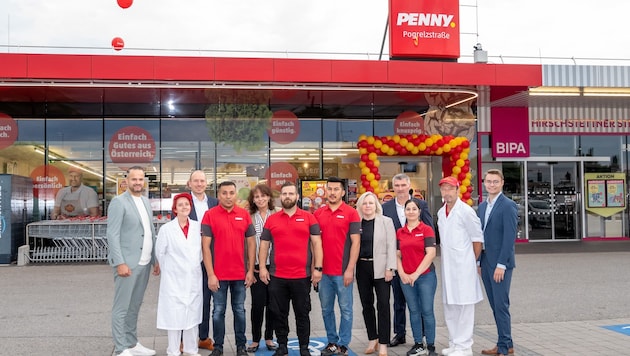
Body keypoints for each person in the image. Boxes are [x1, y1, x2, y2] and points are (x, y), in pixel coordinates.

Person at [258, 181, 323, 356]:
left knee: (302, 313)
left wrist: (318, 268)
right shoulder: (272, 219)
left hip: (302, 276)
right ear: (281, 197)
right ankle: (282, 346)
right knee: (279, 313)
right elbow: (264, 245)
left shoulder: (309, 217)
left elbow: (317, 243)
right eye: (284, 194)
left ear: (297, 196)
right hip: (277, 276)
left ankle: (304, 347)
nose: (287, 196)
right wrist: (263, 267)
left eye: (291, 194)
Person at [107, 166, 159, 356]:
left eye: (140, 179)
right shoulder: (118, 202)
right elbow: (112, 235)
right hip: (127, 263)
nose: (137, 182)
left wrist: (155, 259)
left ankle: (132, 342)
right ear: (126, 181)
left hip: (144, 263)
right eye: (134, 179)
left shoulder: (145, 201)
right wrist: (119, 262)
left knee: (135, 305)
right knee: (122, 307)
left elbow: (150, 233)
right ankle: (121, 348)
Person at [201, 181, 256, 356]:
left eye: (231, 193)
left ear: (236, 195)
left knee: (239, 310)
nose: (228, 196)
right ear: (218, 195)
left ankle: (241, 346)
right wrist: (210, 274)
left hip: (240, 274)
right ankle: (218, 347)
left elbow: (251, 243)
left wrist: (250, 271)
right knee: (218, 311)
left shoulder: (244, 215)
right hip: (218, 275)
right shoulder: (209, 215)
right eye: (224, 193)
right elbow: (205, 248)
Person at [382, 173, 434, 348]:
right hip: (397, 262)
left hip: (419, 263)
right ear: (393, 187)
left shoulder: (421, 205)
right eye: (397, 185)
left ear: (409, 185)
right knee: (398, 300)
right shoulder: (386, 207)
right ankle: (400, 333)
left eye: (403, 185)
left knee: (420, 302)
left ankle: (424, 335)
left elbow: (429, 230)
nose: (400, 188)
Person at [436, 176, 484, 356]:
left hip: (464, 266)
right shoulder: (442, 213)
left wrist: (471, 262)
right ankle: (454, 343)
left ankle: (464, 347)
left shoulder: (466, 211)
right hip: (448, 266)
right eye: (443, 189)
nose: (446, 192)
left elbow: (477, 239)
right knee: (450, 305)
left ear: (457, 190)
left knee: (464, 306)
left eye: (450, 189)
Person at [314, 177, 361, 356]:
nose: (332, 192)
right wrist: (314, 269)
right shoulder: (318, 214)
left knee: (346, 310)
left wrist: (350, 269)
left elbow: (355, 243)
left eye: (336, 189)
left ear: (343, 192)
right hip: (323, 273)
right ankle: (331, 341)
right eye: (330, 189)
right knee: (326, 310)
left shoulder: (351, 213)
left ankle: (343, 344)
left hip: (343, 272)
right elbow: (313, 244)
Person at [156, 193, 203, 356]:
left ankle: (191, 349)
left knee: (192, 315)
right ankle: (173, 350)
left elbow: (202, 252)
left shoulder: (198, 227)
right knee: (174, 316)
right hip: (173, 279)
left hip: (193, 277)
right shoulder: (166, 229)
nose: (184, 207)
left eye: (187, 204)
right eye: (180, 205)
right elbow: (160, 252)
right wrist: (168, 269)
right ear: (175, 209)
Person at [477, 169, 518, 356]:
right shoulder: (482, 206)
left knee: (501, 305)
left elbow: (509, 238)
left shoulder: (508, 205)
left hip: (500, 265)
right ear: (484, 183)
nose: (491, 184)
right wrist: (478, 261)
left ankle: (505, 347)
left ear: (502, 182)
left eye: (495, 181)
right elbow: (479, 236)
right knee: (495, 305)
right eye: (488, 181)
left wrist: (502, 264)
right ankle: (504, 342)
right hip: (486, 262)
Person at [355, 192, 397, 356]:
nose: (367, 206)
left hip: (381, 268)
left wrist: (390, 268)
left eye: (371, 203)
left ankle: (384, 342)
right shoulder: (356, 223)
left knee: (383, 305)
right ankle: (373, 338)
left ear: (376, 205)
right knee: (367, 305)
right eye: (365, 203)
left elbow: (391, 245)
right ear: (360, 206)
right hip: (362, 268)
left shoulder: (386, 222)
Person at [396, 199, 437, 356]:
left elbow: (431, 254)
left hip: (425, 277)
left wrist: (416, 274)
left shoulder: (426, 230)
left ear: (419, 212)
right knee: (413, 311)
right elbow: (397, 255)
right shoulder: (400, 232)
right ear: (404, 212)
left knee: (427, 311)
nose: (411, 211)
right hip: (406, 278)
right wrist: (402, 273)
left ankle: (431, 346)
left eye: (414, 209)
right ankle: (418, 343)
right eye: (408, 209)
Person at [246, 184, 280, 353]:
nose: (260, 199)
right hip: (257, 266)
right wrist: (250, 269)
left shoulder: (278, 213)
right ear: (253, 199)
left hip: (275, 267)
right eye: (256, 197)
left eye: (263, 196)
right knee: (257, 305)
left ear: (269, 197)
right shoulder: (248, 216)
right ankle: (254, 339)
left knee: (273, 304)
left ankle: (269, 337)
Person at [188, 170, 219, 351]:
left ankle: (203, 337)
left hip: (212, 257)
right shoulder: (183, 203)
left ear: (206, 183)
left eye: (202, 181)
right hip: (190, 258)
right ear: (189, 183)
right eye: (196, 181)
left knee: (208, 299)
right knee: (190, 298)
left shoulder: (215, 203)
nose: (199, 184)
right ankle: (186, 337)